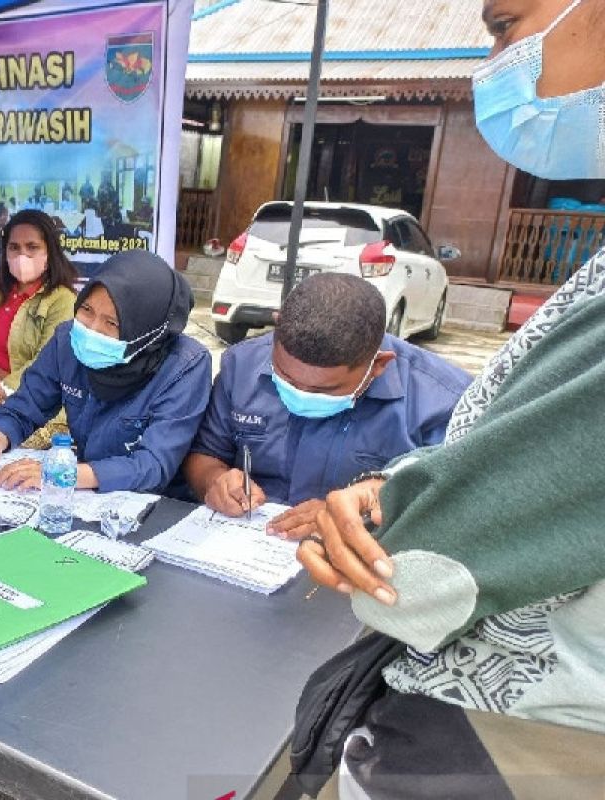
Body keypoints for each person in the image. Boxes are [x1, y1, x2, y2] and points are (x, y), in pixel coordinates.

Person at [297, 0, 605, 794]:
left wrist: (390, 513)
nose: (496, 62)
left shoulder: (429, 388)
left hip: (520, 738)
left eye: (506, 24)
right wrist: (394, 490)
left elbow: (419, 574)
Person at [183, 273, 469, 538]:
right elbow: (204, 454)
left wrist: (364, 513)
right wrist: (213, 481)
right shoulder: (242, 365)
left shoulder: (445, 403)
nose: (299, 392)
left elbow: (452, 503)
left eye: (323, 389)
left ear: (378, 365)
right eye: (284, 376)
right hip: (246, 542)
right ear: (278, 328)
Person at [0, 250, 211, 494]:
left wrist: (62, 474)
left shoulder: (185, 366)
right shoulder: (69, 340)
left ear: (146, 331)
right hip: (85, 495)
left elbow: (154, 463)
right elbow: (25, 406)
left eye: (112, 323)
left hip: (159, 505)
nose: (92, 329)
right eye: (87, 310)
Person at [0, 210, 78, 448]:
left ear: (49, 252)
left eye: (32, 247)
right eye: (14, 247)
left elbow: (41, 366)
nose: (22, 255)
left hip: (30, 410)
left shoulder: (62, 301)